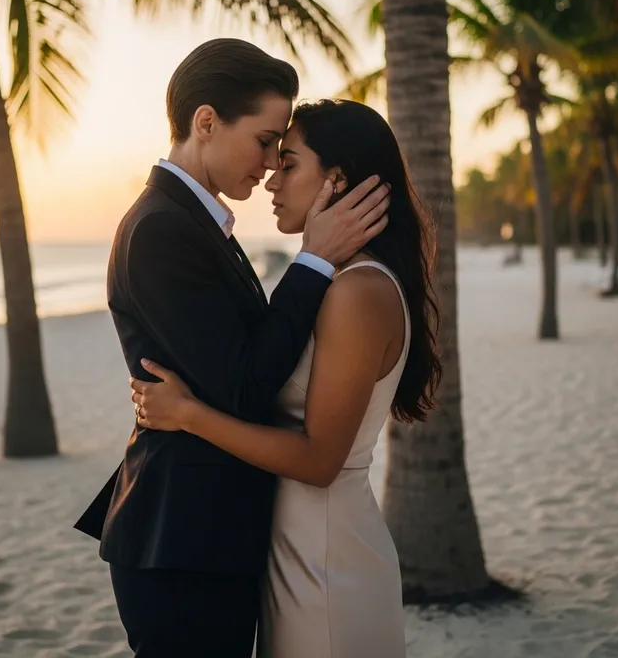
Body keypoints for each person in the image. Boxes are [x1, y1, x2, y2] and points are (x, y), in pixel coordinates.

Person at [73, 42, 390, 658]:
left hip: (206, 532)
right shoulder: (163, 228)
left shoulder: (194, 221)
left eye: (281, 149)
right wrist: (316, 261)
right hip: (182, 539)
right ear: (207, 122)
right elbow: (245, 385)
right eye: (266, 140)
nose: (271, 164)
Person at [131, 99, 443, 658]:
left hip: (325, 561)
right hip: (293, 549)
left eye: (290, 163)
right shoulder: (334, 281)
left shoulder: (357, 292)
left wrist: (189, 415)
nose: (273, 178)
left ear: (336, 179)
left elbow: (320, 461)